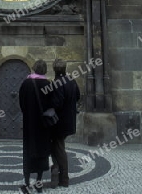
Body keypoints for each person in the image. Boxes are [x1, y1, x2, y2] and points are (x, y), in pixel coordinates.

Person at [19, 60, 53, 194]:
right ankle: (39, 183)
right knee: (42, 152)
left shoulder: (26, 83)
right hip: (43, 125)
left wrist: (27, 113)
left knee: (28, 152)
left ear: (34, 69)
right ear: (44, 70)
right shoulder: (48, 84)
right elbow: (51, 103)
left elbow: (21, 102)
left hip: (29, 124)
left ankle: (27, 183)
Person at [50, 59, 80, 188]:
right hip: (69, 120)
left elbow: (57, 103)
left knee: (59, 148)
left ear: (54, 70)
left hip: (59, 122)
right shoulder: (71, 81)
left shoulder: (57, 83)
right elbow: (78, 96)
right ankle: (57, 174)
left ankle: (63, 178)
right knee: (57, 147)